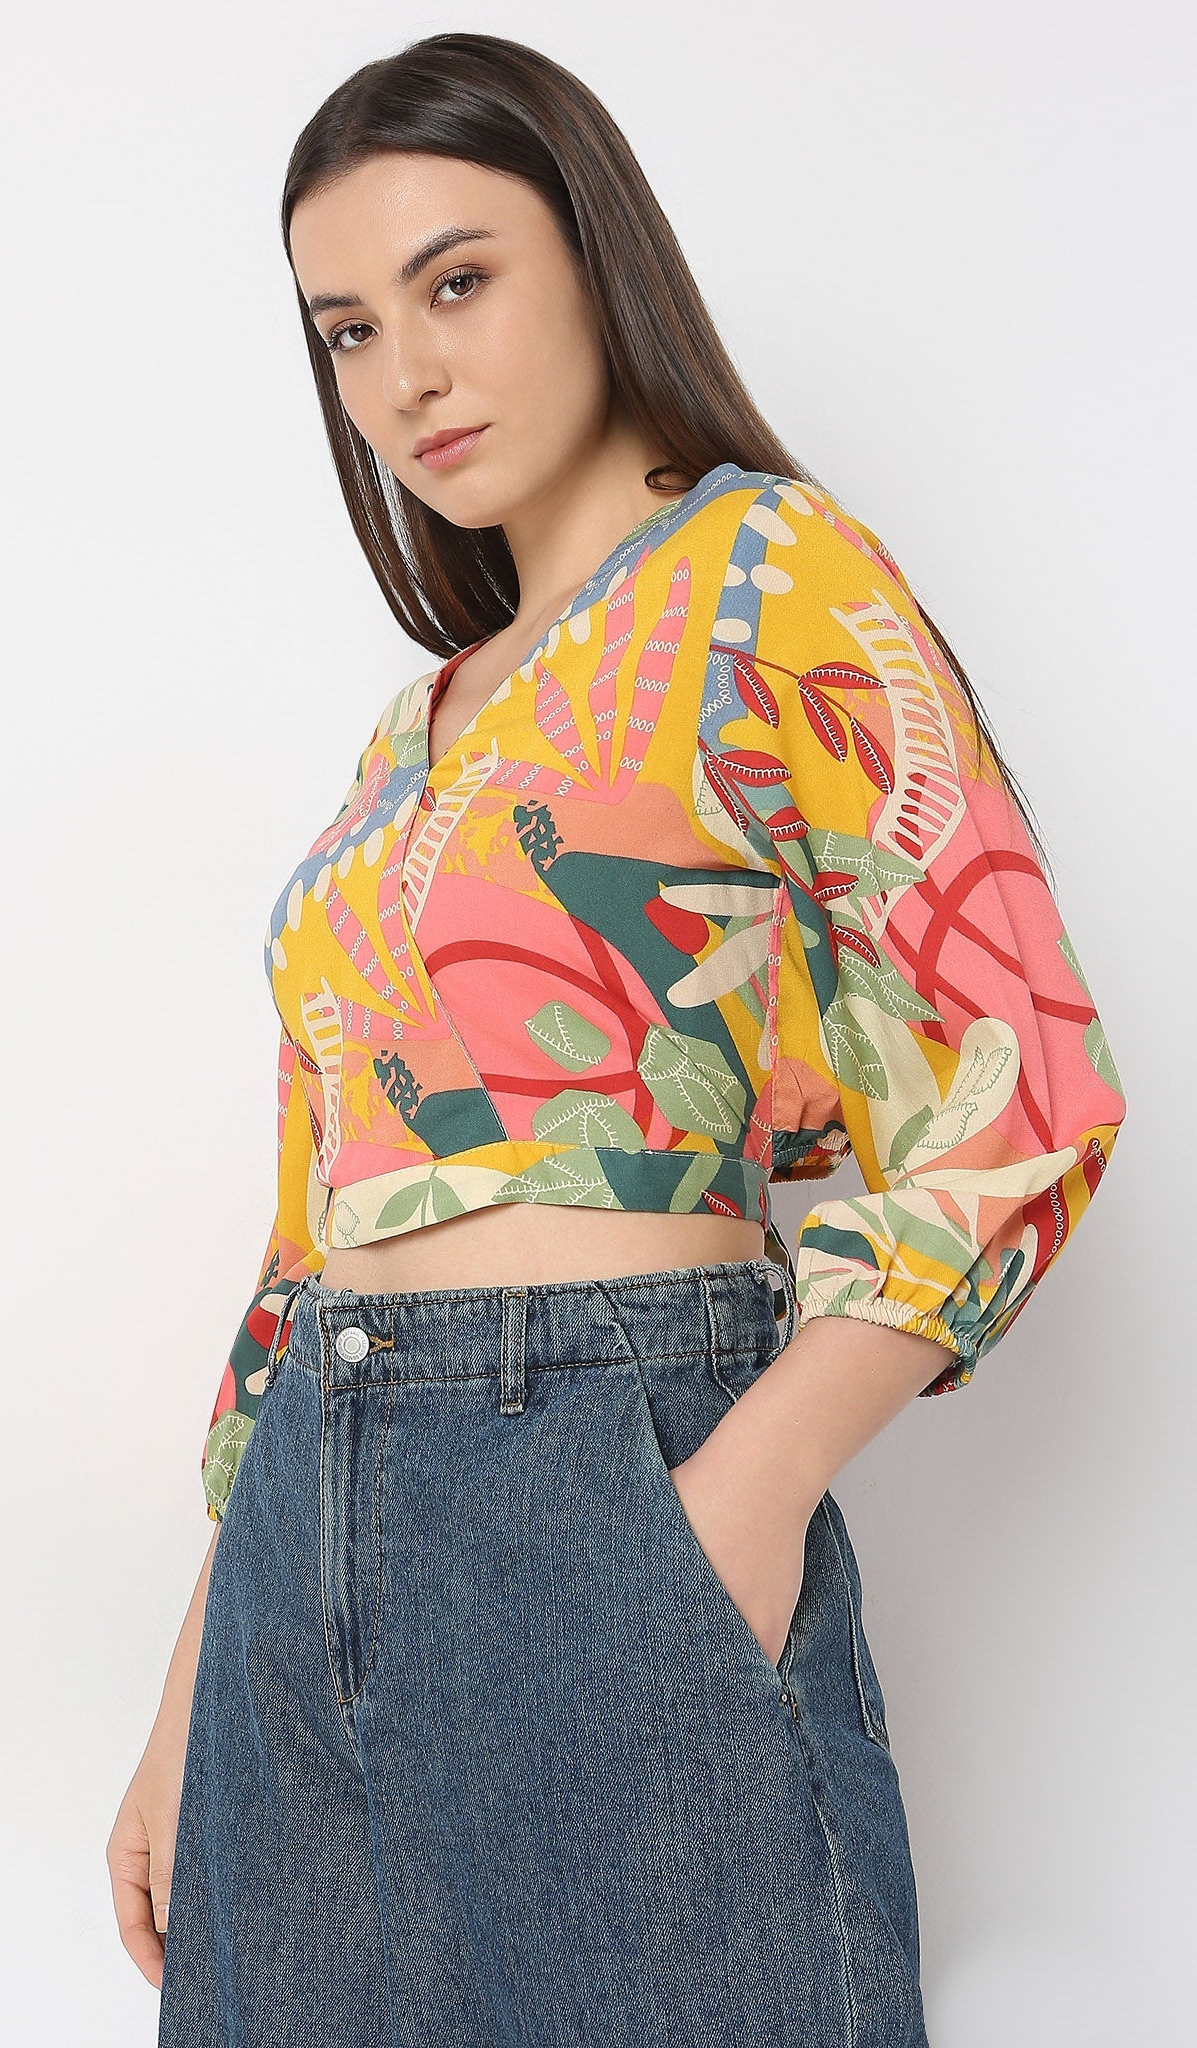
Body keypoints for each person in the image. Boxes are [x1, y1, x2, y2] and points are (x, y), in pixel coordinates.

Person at [106, 33, 1127, 2048]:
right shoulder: (410, 734)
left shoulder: (770, 575)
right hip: (305, 1535)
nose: (406, 374)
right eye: (347, 328)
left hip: (610, 1468)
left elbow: (1022, 1076)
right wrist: (186, 1697)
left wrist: (740, 1497)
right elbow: (315, 1236)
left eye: (457, 280)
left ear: (595, 255)